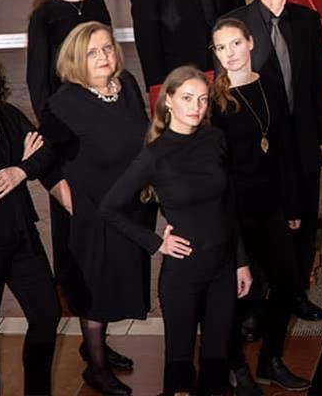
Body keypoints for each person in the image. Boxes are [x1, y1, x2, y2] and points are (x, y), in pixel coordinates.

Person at [101, 66, 253, 396]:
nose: (196, 107)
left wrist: (241, 261)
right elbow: (110, 207)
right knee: (180, 366)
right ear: (168, 100)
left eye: (202, 99)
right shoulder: (155, 155)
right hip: (183, 274)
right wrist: (156, 243)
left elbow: (228, 206)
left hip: (223, 268)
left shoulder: (215, 139)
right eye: (187, 98)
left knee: (216, 362)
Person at [40, 21, 153, 395]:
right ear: (76, 59)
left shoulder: (127, 85)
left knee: (120, 279)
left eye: (107, 48)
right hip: (92, 210)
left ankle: (97, 346)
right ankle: (96, 367)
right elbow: (43, 158)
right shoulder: (64, 103)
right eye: (92, 52)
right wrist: (64, 195)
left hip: (130, 205)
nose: (103, 56)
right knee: (96, 287)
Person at [224, 0, 322, 322]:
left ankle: (297, 293)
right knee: (259, 220)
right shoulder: (235, 24)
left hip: (301, 138)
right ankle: (256, 302)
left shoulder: (307, 20)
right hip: (257, 143)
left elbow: (318, 83)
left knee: (303, 219)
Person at [210, 18, 311, 393]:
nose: (230, 54)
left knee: (287, 282)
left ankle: (271, 360)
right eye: (221, 48)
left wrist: (293, 205)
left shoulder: (268, 83)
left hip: (271, 205)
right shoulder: (216, 101)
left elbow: (284, 146)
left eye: (236, 43)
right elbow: (217, 169)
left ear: (250, 43)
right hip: (235, 210)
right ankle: (235, 365)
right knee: (239, 291)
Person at [25, 0, 111, 345]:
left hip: (101, 120)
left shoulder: (97, 4)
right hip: (66, 125)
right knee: (72, 224)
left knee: (105, 224)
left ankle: (99, 338)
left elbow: (109, 61)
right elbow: (37, 81)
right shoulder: (45, 13)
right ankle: (83, 326)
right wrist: (54, 129)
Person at [0, 58, 61, 396]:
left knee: (46, 314)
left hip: (21, 235)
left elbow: (45, 149)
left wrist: (20, 170)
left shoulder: (6, 113)